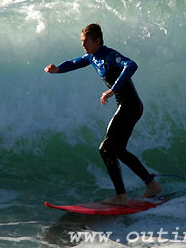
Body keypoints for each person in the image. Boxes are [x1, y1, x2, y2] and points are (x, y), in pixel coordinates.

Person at [44, 23, 162, 205]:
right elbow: (74, 63)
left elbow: (132, 65)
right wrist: (58, 69)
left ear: (97, 41)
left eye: (86, 42)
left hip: (130, 106)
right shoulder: (93, 57)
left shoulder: (110, 55)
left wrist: (112, 90)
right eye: (82, 42)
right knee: (118, 149)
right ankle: (151, 184)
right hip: (127, 106)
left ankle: (122, 196)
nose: (83, 45)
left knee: (105, 148)